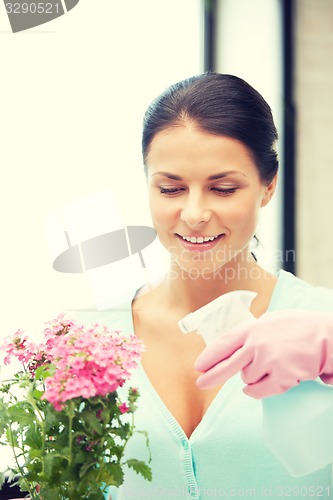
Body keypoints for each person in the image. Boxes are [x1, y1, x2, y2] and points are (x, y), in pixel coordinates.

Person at [102, 72, 333, 499]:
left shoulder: (322, 324)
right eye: (170, 188)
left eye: (223, 189)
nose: (194, 213)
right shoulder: (89, 341)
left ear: (268, 186)